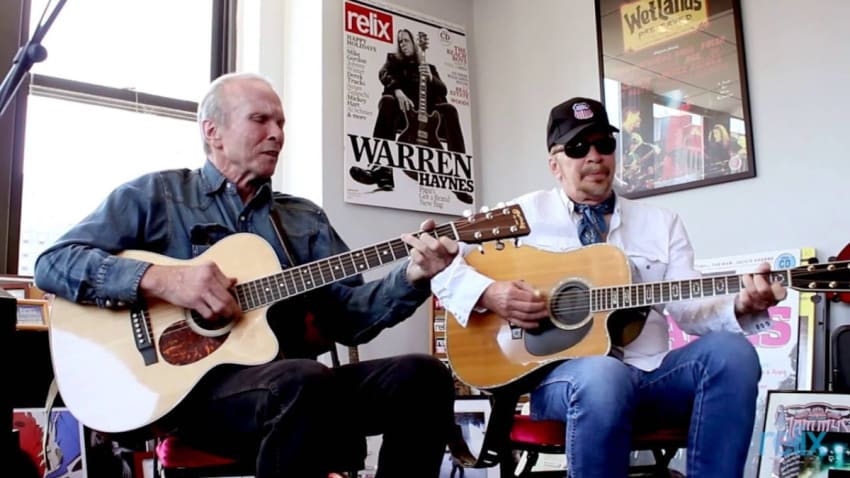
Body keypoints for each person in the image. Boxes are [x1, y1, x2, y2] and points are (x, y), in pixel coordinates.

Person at [34, 72, 461, 478]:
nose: (277, 134)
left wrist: (412, 277)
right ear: (212, 131)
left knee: (424, 377)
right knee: (302, 381)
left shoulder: (303, 219)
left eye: (281, 123)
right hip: (194, 398)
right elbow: (53, 263)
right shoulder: (158, 196)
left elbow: (347, 319)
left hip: (296, 389)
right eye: (260, 120)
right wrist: (165, 280)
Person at [430, 97, 787, 477]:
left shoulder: (661, 223)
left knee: (732, 353)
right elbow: (440, 264)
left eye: (604, 144)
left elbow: (689, 309)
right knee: (604, 374)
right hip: (563, 381)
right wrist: (490, 294)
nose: (594, 157)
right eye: (577, 148)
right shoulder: (518, 217)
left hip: (652, 374)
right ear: (554, 164)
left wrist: (743, 304)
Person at [350, 28, 471, 203]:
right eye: (400, 41)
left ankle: (458, 178)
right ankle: (381, 171)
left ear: (414, 43)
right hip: (402, 114)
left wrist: (431, 78)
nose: (402, 44)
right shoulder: (393, 61)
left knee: (450, 110)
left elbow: (443, 90)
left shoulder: (429, 67)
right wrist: (397, 90)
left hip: (428, 119)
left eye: (406, 40)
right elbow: (383, 74)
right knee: (387, 100)